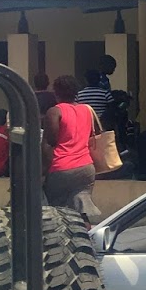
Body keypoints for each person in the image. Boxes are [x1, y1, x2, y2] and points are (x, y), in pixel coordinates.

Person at [42, 76, 100, 221]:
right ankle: (86, 233)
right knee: (81, 212)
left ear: (56, 92)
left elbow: (49, 143)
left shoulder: (55, 112)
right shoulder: (87, 110)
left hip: (61, 168)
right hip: (86, 168)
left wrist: (44, 171)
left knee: (58, 214)